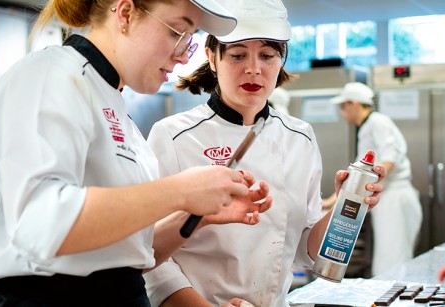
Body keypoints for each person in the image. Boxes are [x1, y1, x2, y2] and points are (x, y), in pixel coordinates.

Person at [0, 0, 275, 306]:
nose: (182, 57)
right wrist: (180, 190)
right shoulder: (49, 76)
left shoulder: (114, 103)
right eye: (177, 33)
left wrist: (197, 214)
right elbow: (43, 224)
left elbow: (128, 254)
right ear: (125, 13)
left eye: (188, 41)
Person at [143, 1, 385, 306]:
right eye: (237, 54)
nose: (254, 68)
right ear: (212, 58)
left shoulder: (300, 137)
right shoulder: (173, 136)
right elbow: (149, 256)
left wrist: (345, 207)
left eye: (268, 56)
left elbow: (303, 249)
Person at [326, 81, 422, 276]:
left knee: (392, 261)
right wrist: (331, 200)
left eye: (343, 107)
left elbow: (390, 157)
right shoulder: (368, 126)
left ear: (354, 104)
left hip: (395, 197)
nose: (342, 113)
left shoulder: (377, 121)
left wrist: (375, 180)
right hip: (388, 198)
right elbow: (359, 172)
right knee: (390, 258)